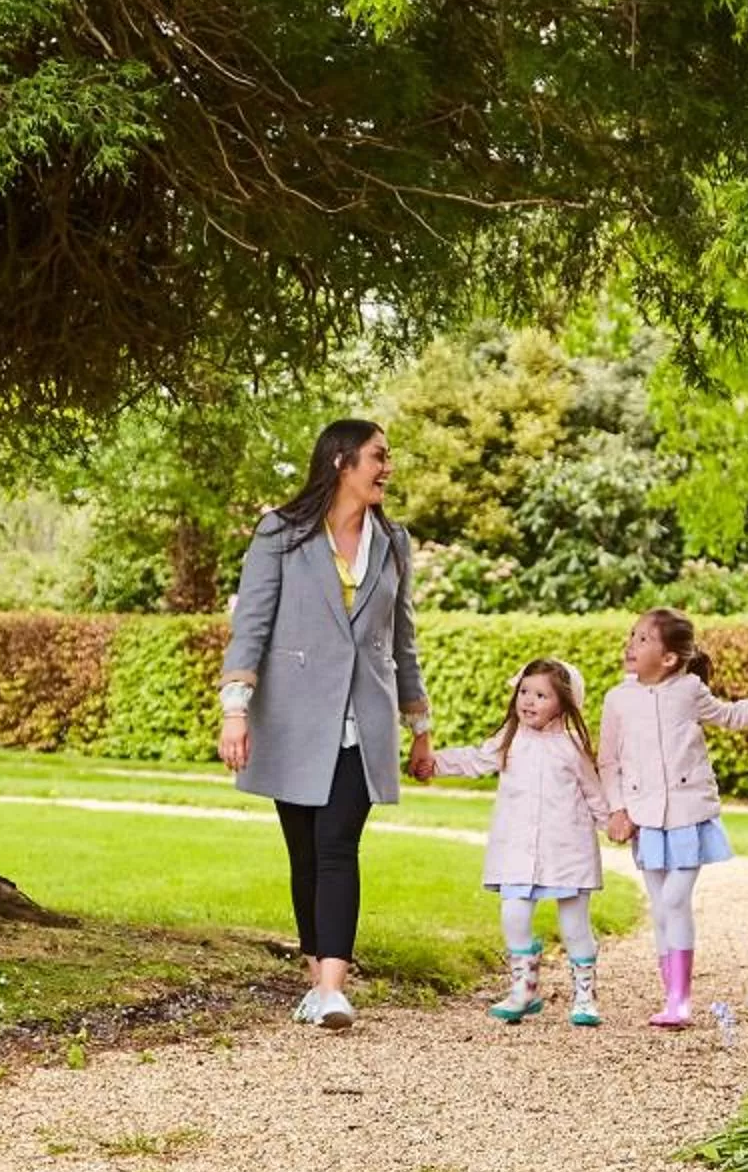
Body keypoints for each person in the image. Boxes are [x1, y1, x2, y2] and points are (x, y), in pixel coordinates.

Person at [217, 419, 437, 1030]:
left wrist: (419, 725)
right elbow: (252, 626)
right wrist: (235, 710)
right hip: (291, 716)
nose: (386, 468)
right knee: (306, 854)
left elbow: (403, 639)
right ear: (342, 461)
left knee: (339, 844)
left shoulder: (393, 541)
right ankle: (317, 981)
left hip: (362, 720)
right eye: (378, 456)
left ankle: (334, 987)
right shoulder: (281, 534)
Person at [598, 608, 748, 1029]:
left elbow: (729, 716)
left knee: (674, 900)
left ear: (670, 658)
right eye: (632, 635)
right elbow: (608, 761)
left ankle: (681, 999)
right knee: (661, 908)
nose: (631, 644)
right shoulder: (617, 699)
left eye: (643, 639)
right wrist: (617, 809)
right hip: (645, 817)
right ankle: (672, 997)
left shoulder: (689, 689)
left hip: (687, 813)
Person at [424, 659, 611, 1026]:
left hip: (567, 850)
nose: (528, 700)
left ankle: (585, 995)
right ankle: (524, 989)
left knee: (575, 924)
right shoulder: (510, 739)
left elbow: (594, 794)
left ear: (565, 703)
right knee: (514, 914)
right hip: (517, 848)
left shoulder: (572, 747)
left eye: (541, 695)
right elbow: (475, 760)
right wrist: (435, 763)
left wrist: (614, 823)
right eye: (524, 691)